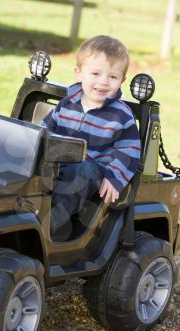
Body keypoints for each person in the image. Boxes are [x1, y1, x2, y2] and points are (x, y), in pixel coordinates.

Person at [41, 35, 140, 241]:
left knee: (81, 171)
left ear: (121, 80)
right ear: (79, 73)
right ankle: (24, 208)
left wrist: (114, 178)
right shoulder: (67, 104)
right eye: (95, 73)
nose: (103, 82)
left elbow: (129, 151)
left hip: (94, 170)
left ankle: (50, 224)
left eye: (112, 77)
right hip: (59, 164)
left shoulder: (121, 115)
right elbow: (44, 131)